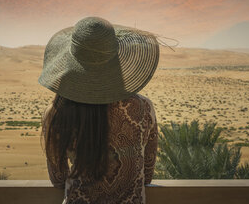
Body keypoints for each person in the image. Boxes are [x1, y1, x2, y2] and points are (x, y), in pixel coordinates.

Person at [39, 16, 159, 204]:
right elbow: (147, 175)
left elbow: (58, 179)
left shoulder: (56, 114)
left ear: (70, 64)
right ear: (117, 60)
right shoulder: (143, 108)